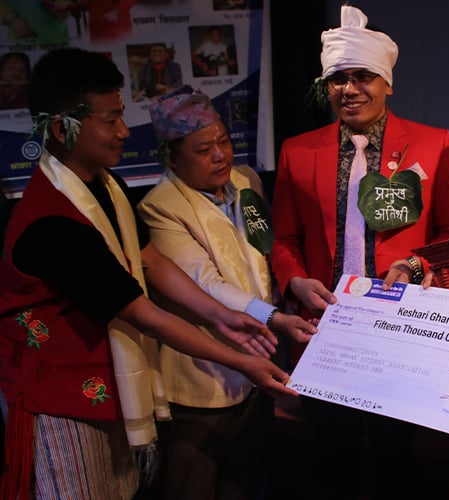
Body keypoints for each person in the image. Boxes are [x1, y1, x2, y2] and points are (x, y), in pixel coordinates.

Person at [0, 47, 296, 499]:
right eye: (111, 120)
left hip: (111, 390)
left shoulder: (108, 185)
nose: (124, 131)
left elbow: (151, 261)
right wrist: (241, 359)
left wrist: (221, 317)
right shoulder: (52, 221)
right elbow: (145, 313)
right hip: (62, 403)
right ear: (63, 128)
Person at [270, 5, 449, 497]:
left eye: (363, 77)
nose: (350, 89)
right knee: (332, 457)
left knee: (395, 456)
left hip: (401, 325)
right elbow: (284, 239)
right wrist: (295, 281)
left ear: (387, 83)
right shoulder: (298, 151)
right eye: (339, 78)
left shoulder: (433, 144)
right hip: (325, 324)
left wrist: (416, 263)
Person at [136, 85, 317, 500]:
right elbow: (205, 285)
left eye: (224, 141)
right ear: (172, 157)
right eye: (204, 150)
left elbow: (266, 252)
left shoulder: (245, 181)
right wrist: (274, 318)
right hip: (203, 381)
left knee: (249, 482)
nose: (220, 155)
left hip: (258, 369)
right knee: (194, 485)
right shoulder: (160, 206)